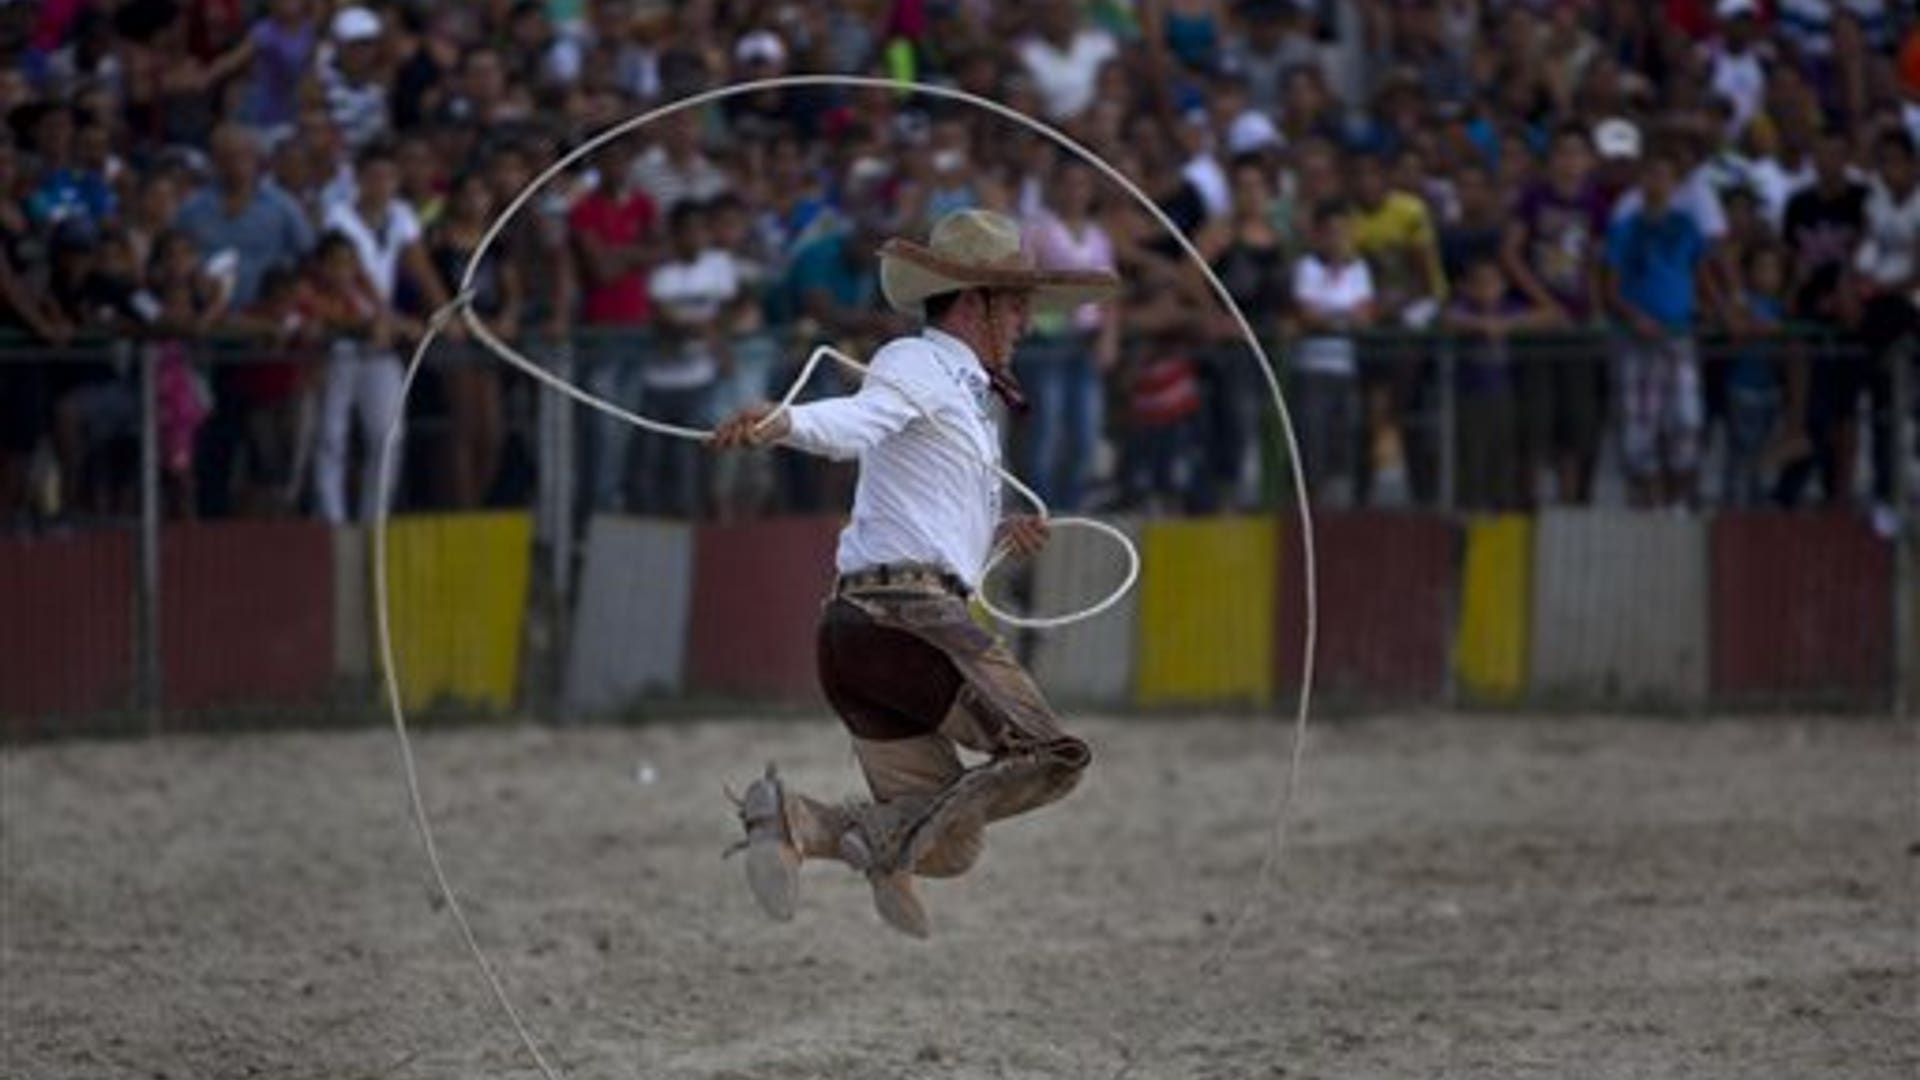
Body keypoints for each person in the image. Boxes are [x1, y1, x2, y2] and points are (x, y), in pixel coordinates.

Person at [707, 208, 1118, 938]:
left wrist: (995, 538)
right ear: (973, 302)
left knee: (954, 846)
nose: (1025, 321)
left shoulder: (963, 396)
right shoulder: (916, 363)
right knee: (1054, 757)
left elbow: (922, 518)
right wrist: (785, 423)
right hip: (908, 618)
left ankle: (803, 822)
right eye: (1016, 304)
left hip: (861, 632)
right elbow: (856, 425)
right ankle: (876, 840)